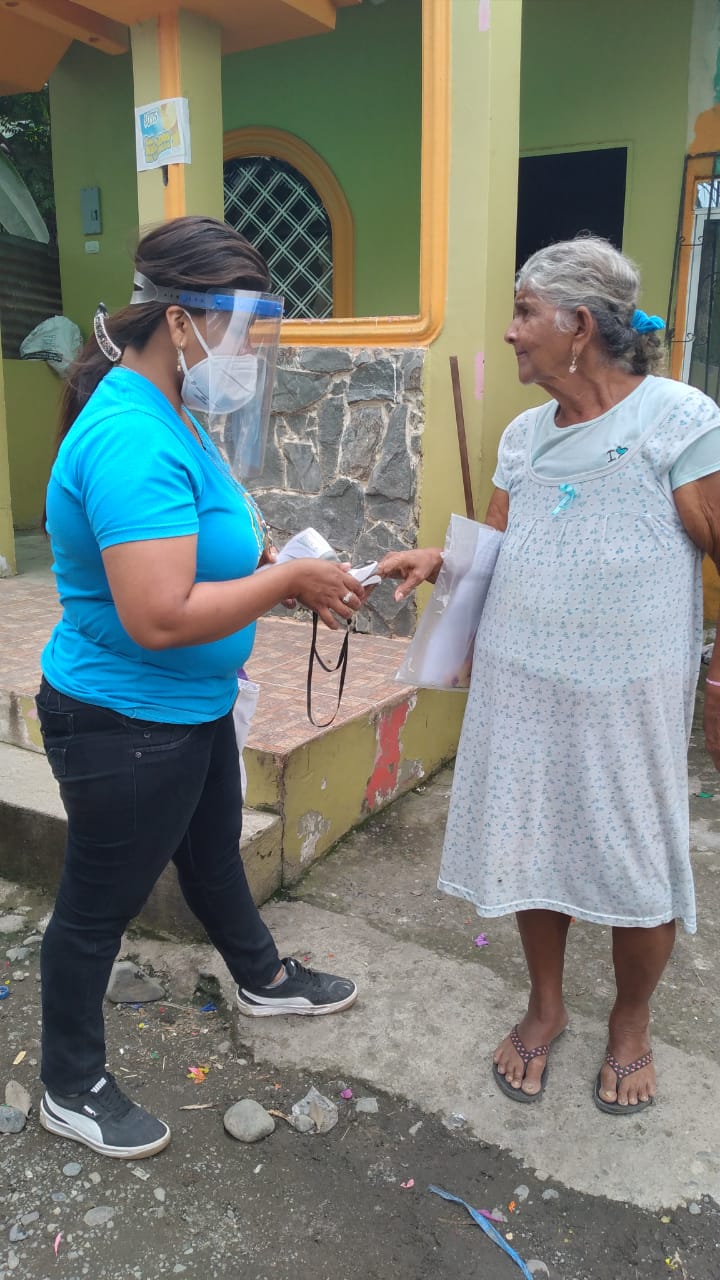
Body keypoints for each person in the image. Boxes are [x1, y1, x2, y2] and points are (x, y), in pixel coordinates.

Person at [36, 215, 366, 1160]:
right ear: (179, 322)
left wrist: (272, 563)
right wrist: (286, 581)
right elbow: (159, 614)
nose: (247, 354)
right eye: (238, 331)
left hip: (188, 709)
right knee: (95, 909)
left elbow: (196, 548)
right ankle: (69, 1085)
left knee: (213, 854)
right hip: (125, 721)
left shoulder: (171, 410)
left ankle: (262, 977)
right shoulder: (131, 438)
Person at [378, 236, 720, 1114]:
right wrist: (438, 559)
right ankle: (546, 1004)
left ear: (579, 325)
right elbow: (495, 547)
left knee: (636, 853)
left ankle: (631, 1023)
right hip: (521, 683)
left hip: (627, 696)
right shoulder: (524, 435)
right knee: (534, 838)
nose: (510, 331)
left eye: (524, 312)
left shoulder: (678, 419)